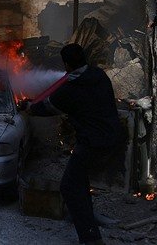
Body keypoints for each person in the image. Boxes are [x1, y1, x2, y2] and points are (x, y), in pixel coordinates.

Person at [26, 43, 124, 245]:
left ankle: (91, 238)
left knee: (69, 186)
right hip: (112, 136)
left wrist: (28, 107)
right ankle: (85, 215)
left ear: (66, 64)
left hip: (91, 142)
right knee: (80, 180)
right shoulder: (98, 75)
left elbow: (47, 109)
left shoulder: (70, 89)